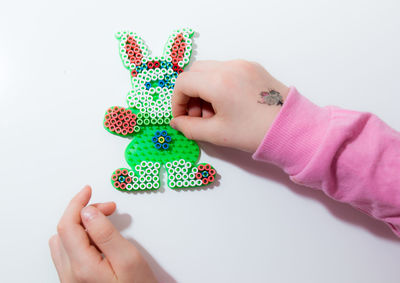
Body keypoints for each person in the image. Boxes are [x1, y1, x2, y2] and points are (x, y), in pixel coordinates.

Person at [49, 60, 400, 282]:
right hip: (154, 143)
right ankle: (145, 174)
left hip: (182, 146)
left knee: (181, 159)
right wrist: (300, 131)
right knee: (145, 161)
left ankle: (189, 172)